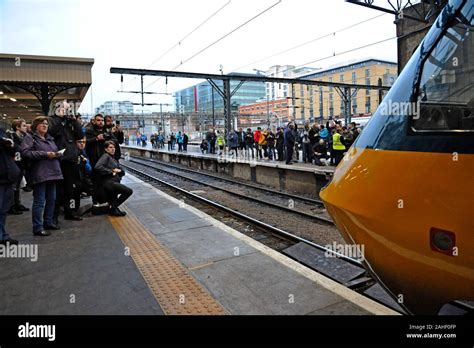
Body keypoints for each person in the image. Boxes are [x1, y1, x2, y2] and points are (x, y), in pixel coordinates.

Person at [21, 116, 64, 236]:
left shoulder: (50, 139)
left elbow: (53, 151)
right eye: (42, 124)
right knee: (39, 201)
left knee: (52, 200)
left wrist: (57, 154)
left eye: (46, 124)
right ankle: (37, 227)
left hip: (53, 172)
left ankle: (48, 222)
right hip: (40, 173)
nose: (45, 126)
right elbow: (25, 153)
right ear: (36, 126)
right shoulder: (30, 138)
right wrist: (45, 154)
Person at [48, 106, 84, 222]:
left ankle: (69, 212)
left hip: (70, 159)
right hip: (58, 159)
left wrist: (74, 120)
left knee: (70, 189)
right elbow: (52, 132)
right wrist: (60, 118)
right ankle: (53, 216)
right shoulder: (52, 120)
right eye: (64, 109)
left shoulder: (70, 122)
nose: (66, 111)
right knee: (57, 190)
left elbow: (79, 135)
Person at [94, 141, 133, 217]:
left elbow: (121, 170)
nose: (113, 149)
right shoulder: (106, 156)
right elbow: (97, 167)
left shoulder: (113, 158)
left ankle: (114, 209)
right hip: (109, 182)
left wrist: (120, 171)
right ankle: (113, 209)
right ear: (106, 149)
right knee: (128, 191)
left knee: (114, 198)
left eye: (114, 147)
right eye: (110, 147)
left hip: (114, 181)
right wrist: (111, 171)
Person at [0, 127, 21, 245]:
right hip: (3, 177)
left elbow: (16, 150)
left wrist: (9, 145)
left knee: (3, 210)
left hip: (8, 177)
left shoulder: (3, 131)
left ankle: (2, 236)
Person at [6, 119, 29, 215]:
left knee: (17, 187)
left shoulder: (22, 138)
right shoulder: (13, 138)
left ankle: (16, 203)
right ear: (18, 127)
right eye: (23, 126)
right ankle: (10, 206)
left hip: (20, 165)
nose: (26, 127)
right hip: (14, 165)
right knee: (13, 187)